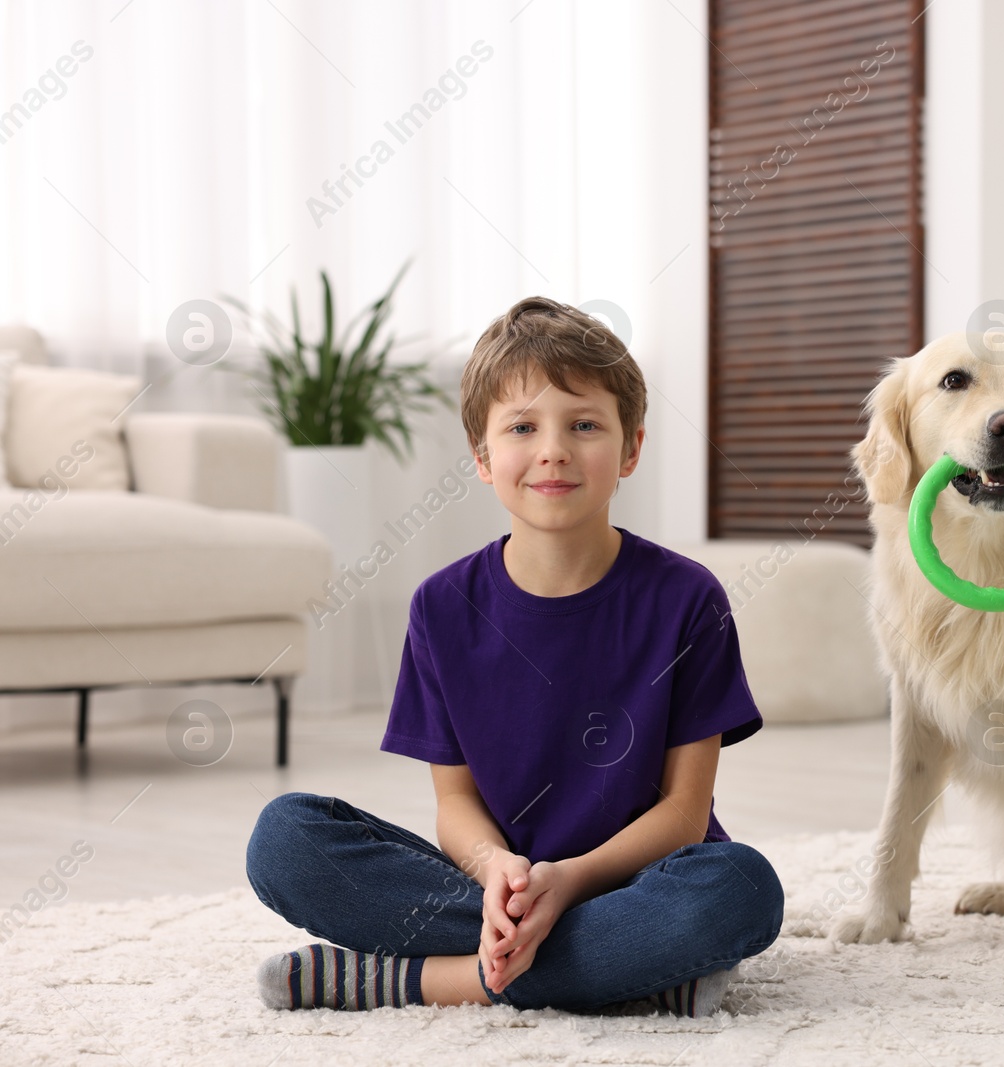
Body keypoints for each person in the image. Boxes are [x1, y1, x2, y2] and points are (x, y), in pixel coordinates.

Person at [245, 297, 784, 1017]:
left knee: (742, 889)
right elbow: (456, 802)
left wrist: (570, 879)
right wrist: (500, 869)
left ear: (630, 449)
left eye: (584, 424)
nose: (553, 449)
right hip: (495, 888)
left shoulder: (688, 599)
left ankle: (416, 980)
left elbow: (685, 814)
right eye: (523, 426)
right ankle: (631, 973)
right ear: (482, 457)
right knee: (284, 840)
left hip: (639, 881)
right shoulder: (440, 608)